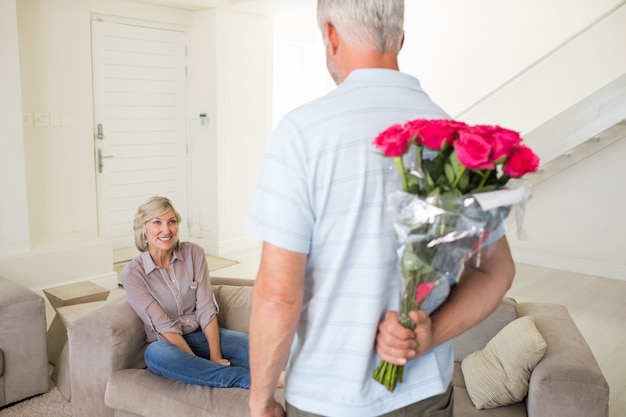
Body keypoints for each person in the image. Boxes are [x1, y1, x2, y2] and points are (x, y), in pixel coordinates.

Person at [246, 1, 515, 417]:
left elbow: (279, 294)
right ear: (400, 39)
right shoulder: (456, 140)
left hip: (326, 400)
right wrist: (429, 335)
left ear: (331, 36)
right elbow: (496, 270)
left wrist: (260, 400)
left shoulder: (300, 134)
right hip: (426, 393)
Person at [120, 196, 251, 389]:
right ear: (143, 228)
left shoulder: (193, 253)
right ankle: (246, 380)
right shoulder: (132, 274)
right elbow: (164, 326)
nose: (166, 230)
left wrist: (215, 355)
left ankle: (206, 373)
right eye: (157, 222)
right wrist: (191, 360)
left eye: (171, 222)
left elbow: (206, 308)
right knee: (155, 355)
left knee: (252, 347)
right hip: (168, 345)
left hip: (202, 335)